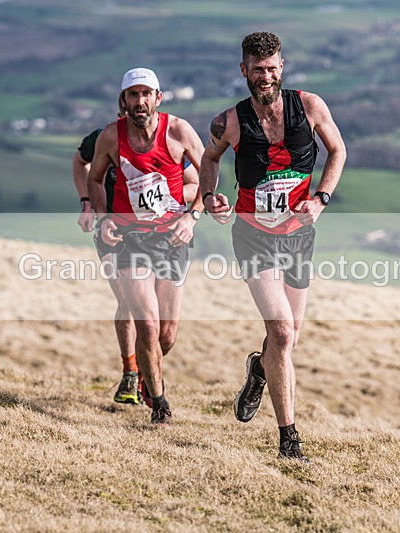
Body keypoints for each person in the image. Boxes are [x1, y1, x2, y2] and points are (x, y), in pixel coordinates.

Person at [199, 32, 346, 461]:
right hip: (253, 235)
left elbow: (337, 152)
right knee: (279, 331)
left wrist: (320, 199)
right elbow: (210, 161)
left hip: (299, 235)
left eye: (272, 67)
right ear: (243, 71)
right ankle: (289, 439)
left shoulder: (311, 107)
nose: (265, 76)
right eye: (256, 69)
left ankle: (259, 370)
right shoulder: (227, 122)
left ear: (282, 67)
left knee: (290, 339)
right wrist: (211, 198)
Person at [87, 67, 205, 423]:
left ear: (158, 98)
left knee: (166, 335)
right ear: (124, 101)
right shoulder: (111, 136)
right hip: (130, 238)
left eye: (146, 94)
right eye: (132, 95)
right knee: (148, 326)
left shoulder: (179, 130)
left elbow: (209, 173)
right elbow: (94, 178)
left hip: (171, 238)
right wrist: (104, 218)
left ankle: (142, 377)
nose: (140, 101)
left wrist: (191, 216)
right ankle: (161, 404)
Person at [73, 123, 199, 407]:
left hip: (156, 235)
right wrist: (87, 204)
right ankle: (130, 372)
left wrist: (168, 194)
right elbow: (80, 162)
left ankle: (145, 373)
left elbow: (194, 183)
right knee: (128, 301)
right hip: (113, 232)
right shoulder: (103, 137)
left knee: (160, 331)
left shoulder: (164, 142)